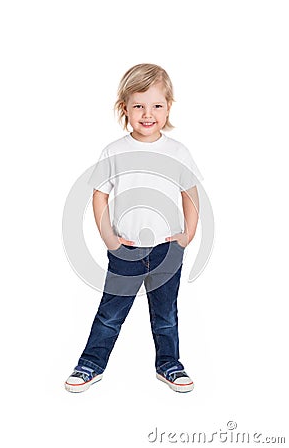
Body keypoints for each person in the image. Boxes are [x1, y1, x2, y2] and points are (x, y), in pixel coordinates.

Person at [64, 63, 203, 393]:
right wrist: (109, 238)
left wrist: (188, 235)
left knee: (166, 314)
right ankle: (90, 364)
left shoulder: (177, 152)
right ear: (123, 107)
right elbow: (99, 195)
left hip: (168, 250)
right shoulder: (115, 151)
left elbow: (191, 194)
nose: (147, 113)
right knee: (111, 314)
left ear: (169, 106)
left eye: (156, 105)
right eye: (138, 105)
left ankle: (169, 363)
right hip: (125, 250)